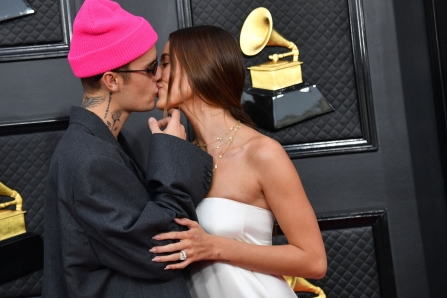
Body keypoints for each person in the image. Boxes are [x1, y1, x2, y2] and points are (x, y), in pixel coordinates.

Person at [43, 1, 212, 297]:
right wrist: (172, 151)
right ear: (112, 80)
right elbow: (166, 248)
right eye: (150, 68)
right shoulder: (90, 158)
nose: (159, 76)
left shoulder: (96, 144)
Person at [151, 25, 327, 297]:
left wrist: (214, 247)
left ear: (199, 66)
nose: (157, 76)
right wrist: (167, 151)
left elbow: (314, 261)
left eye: (165, 64)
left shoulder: (262, 152)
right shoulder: (182, 155)